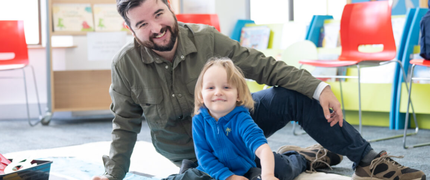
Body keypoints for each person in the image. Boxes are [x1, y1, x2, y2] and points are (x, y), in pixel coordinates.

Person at [93, 0, 426, 180]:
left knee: (292, 95)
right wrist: (112, 176)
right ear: (130, 29)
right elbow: (124, 125)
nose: (156, 28)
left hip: (238, 125)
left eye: (158, 14)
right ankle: (304, 157)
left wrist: (317, 86)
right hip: (191, 152)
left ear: (169, 7)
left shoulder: (207, 38)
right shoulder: (124, 65)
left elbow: (264, 66)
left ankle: (368, 159)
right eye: (142, 24)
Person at [192, 58, 277, 180]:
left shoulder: (242, 119)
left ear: (238, 95)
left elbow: (262, 148)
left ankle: (298, 158)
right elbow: (204, 156)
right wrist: (229, 177)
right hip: (211, 172)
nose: (218, 92)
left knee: (283, 170)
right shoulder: (199, 120)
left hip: (244, 171)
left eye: (226, 87)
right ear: (201, 95)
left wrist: (268, 175)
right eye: (211, 88)